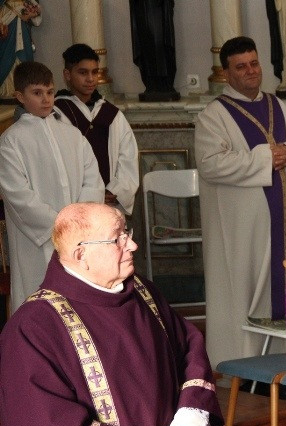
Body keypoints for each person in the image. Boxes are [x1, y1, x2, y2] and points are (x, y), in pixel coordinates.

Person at [0, 202, 223, 426]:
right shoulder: (33, 327)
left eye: (126, 233)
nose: (132, 244)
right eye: (117, 238)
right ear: (81, 254)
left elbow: (190, 350)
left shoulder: (145, 294)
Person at [195, 36, 286, 367]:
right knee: (244, 290)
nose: (251, 71)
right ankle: (240, 361)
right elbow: (210, 163)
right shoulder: (213, 116)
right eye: (241, 66)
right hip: (243, 233)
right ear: (226, 73)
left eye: (254, 63)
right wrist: (266, 158)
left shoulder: (280, 107)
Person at [0, 61, 103, 313]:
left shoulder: (72, 135)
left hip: (78, 235)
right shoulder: (10, 141)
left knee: (80, 305)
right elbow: (17, 194)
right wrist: (59, 223)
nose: (46, 99)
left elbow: (92, 178)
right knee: (39, 302)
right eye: (37, 93)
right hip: (37, 241)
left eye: (49, 92)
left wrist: (79, 219)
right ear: (20, 96)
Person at [56, 43, 139, 216]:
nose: (90, 79)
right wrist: (92, 196)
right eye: (83, 72)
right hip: (75, 205)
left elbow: (128, 157)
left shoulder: (112, 114)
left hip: (110, 204)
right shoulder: (57, 114)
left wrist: (115, 191)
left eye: (94, 72)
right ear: (67, 75)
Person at [129, 0, 179, 101]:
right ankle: (151, 84)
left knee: (161, 44)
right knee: (146, 45)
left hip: (160, 9)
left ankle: (166, 83)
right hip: (142, 9)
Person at [0, 0, 41, 99]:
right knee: (5, 55)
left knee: (24, 56)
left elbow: (36, 19)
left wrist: (33, 10)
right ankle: (5, 90)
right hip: (6, 20)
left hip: (22, 25)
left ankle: (23, 90)